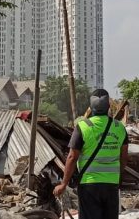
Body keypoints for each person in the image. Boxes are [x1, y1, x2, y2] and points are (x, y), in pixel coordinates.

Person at [54, 89, 129, 219]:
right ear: (108, 107)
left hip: (89, 185)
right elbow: (124, 158)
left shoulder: (83, 127)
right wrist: (117, 175)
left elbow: (72, 157)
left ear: (91, 107)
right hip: (111, 185)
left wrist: (64, 183)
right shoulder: (119, 128)